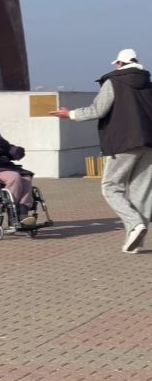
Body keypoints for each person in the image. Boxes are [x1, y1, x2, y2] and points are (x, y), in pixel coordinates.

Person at [51, 48, 152, 253]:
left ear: (120, 64)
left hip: (123, 143)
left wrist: (69, 114)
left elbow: (98, 110)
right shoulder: (148, 84)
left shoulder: (114, 82)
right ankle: (135, 242)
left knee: (110, 187)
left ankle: (135, 224)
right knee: (141, 193)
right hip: (149, 144)